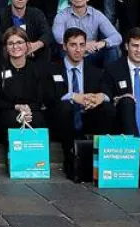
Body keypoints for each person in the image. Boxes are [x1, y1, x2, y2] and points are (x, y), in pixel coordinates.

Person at [47, 27, 115, 175]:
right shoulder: (52, 69)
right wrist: (73, 96)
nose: (78, 50)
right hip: (62, 120)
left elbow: (107, 91)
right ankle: (70, 157)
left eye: (81, 45)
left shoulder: (95, 71)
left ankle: (102, 159)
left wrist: (99, 97)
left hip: (88, 115)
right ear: (64, 46)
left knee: (108, 108)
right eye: (73, 45)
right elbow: (49, 97)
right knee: (65, 107)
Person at [0, 27, 49, 143]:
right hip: (2, 113)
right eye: (10, 43)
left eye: (19, 42)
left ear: (27, 45)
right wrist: (16, 108)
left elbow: (40, 99)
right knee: (12, 119)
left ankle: (35, 159)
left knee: (38, 119)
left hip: (30, 111)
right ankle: (13, 158)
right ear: (6, 48)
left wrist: (27, 111)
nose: (15, 47)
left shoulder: (37, 68)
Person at [52, 0, 121, 67]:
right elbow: (59, 37)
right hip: (71, 55)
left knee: (112, 49)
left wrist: (102, 43)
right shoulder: (61, 15)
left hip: (92, 55)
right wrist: (83, 45)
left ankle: (109, 79)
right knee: (64, 48)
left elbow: (117, 37)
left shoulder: (97, 14)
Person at [0, 0, 51, 65]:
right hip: (8, 55)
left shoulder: (36, 13)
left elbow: (47, 33)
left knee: (45, 49)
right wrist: (18, 46)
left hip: (32, 55)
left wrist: (36, 45)